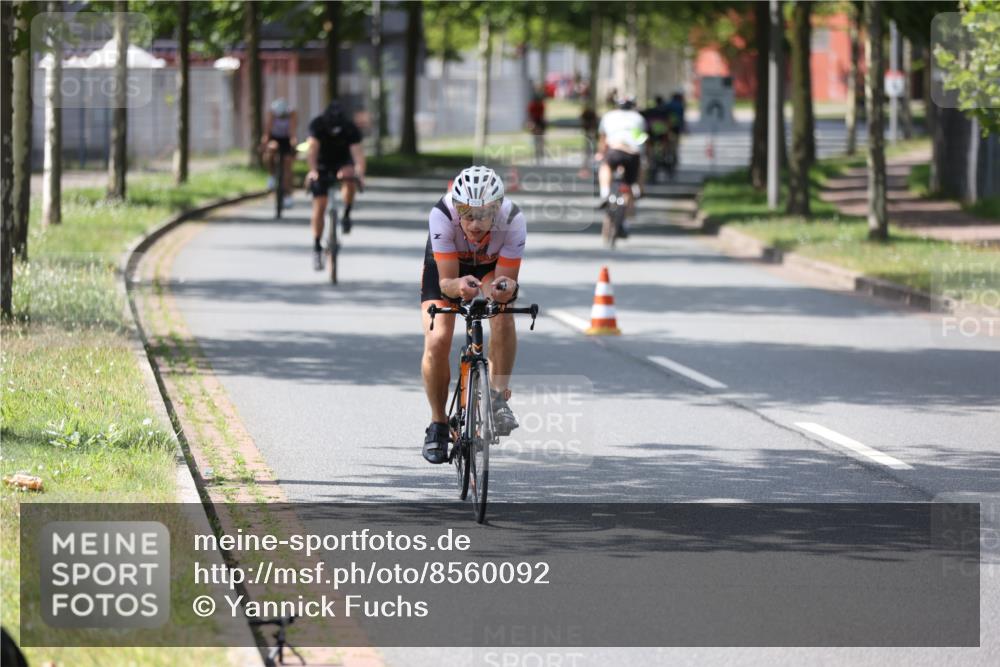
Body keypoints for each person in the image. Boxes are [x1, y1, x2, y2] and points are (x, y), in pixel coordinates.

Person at [420, 166, 526, 464]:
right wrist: (457, 287)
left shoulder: (513, 219)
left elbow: (506, 282)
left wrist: (505, 289)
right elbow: (445, 283)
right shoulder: (441, 214)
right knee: (438, 338)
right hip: (449, 268)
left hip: (491, 267)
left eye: (483, 214)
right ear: (456, 208)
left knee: (503, 314)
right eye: (466, 214)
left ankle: (496, 398)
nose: (475, 223)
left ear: (497, 210)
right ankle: (438, 424)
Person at [305, 101, 366, 271]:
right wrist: (312, 171)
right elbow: (312, 150)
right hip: (322, 164)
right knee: (320, 205)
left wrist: (359, 173)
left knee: (349, 177)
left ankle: (346, 213)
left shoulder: (349, 128)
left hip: (342, 163)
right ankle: (317, 246)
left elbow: (358, 154)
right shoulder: (317, 125)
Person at [595, 95, 648, 238]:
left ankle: (605, 193)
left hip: (615, 151)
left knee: (605, 166)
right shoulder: (639, 118)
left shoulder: (609, 116)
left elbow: (603, 138)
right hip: (632, 154)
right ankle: (624, 223)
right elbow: (642, 139)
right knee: (628, 187)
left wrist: (600, 153)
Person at [261, 98, 297, 208]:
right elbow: (267, 133)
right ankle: (271, 175)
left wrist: (293, 143)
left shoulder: (292, 114)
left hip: (286, 139)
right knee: (271, 150)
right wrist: (265, 144)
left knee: (287, 166)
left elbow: (292, 131)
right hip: (275, 138)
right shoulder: (272, 114)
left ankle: (288, 195)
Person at [527, 92, 546, 165]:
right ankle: (537, 153)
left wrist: (539, 127)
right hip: (534, 121)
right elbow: (530, 115)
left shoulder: (541, 105)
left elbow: (542, 115)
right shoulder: (532, 105)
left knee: (540, 138)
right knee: (536, 138)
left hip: (539, 122)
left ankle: (541, 152)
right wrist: (532, 125)